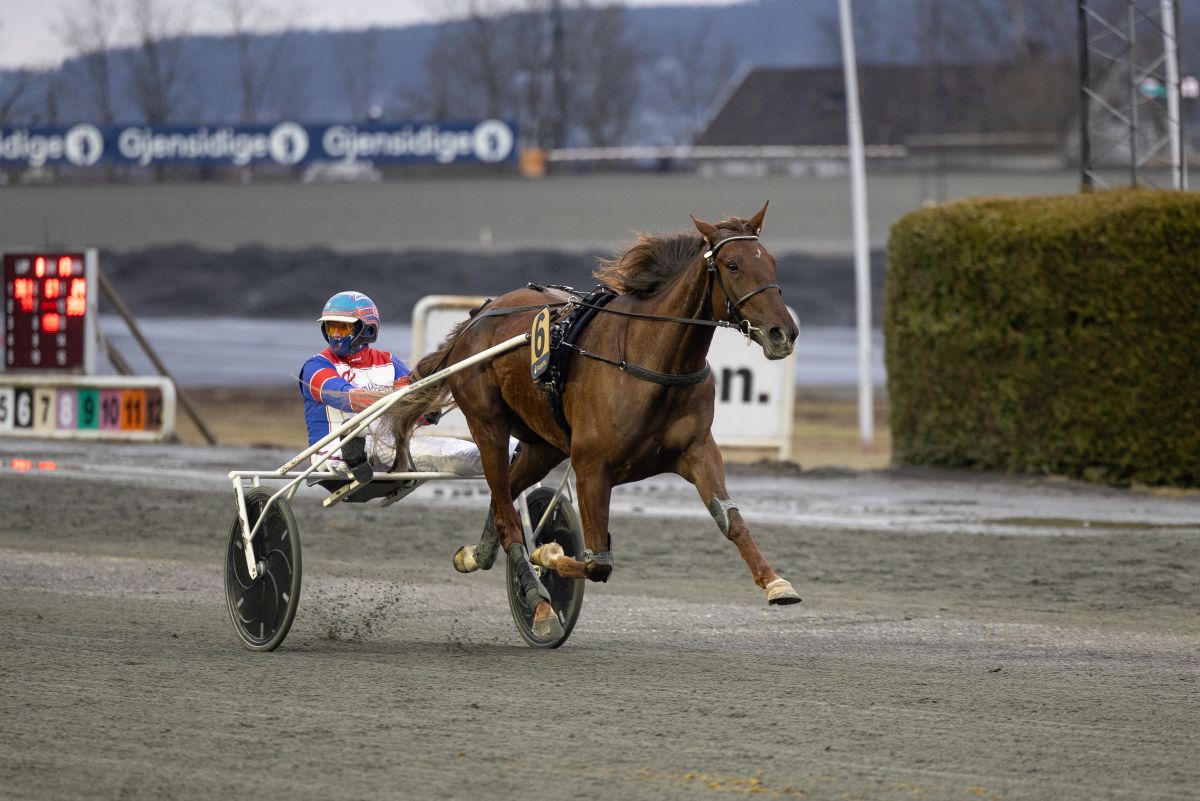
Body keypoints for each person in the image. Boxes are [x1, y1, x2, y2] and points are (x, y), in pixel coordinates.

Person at [299, 290, 486, 482]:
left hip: (389, 447)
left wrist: (425, 411)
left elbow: (412, 409)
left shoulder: (388, 361)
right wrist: (406, 397)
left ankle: (512, 450)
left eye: (343, 328)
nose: (336, 335)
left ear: (367, 329)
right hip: (333, 450)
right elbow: (348, 398)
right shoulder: (316, 367)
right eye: (331, 327)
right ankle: (353, 453)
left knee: (467, 450)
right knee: (359, 442)